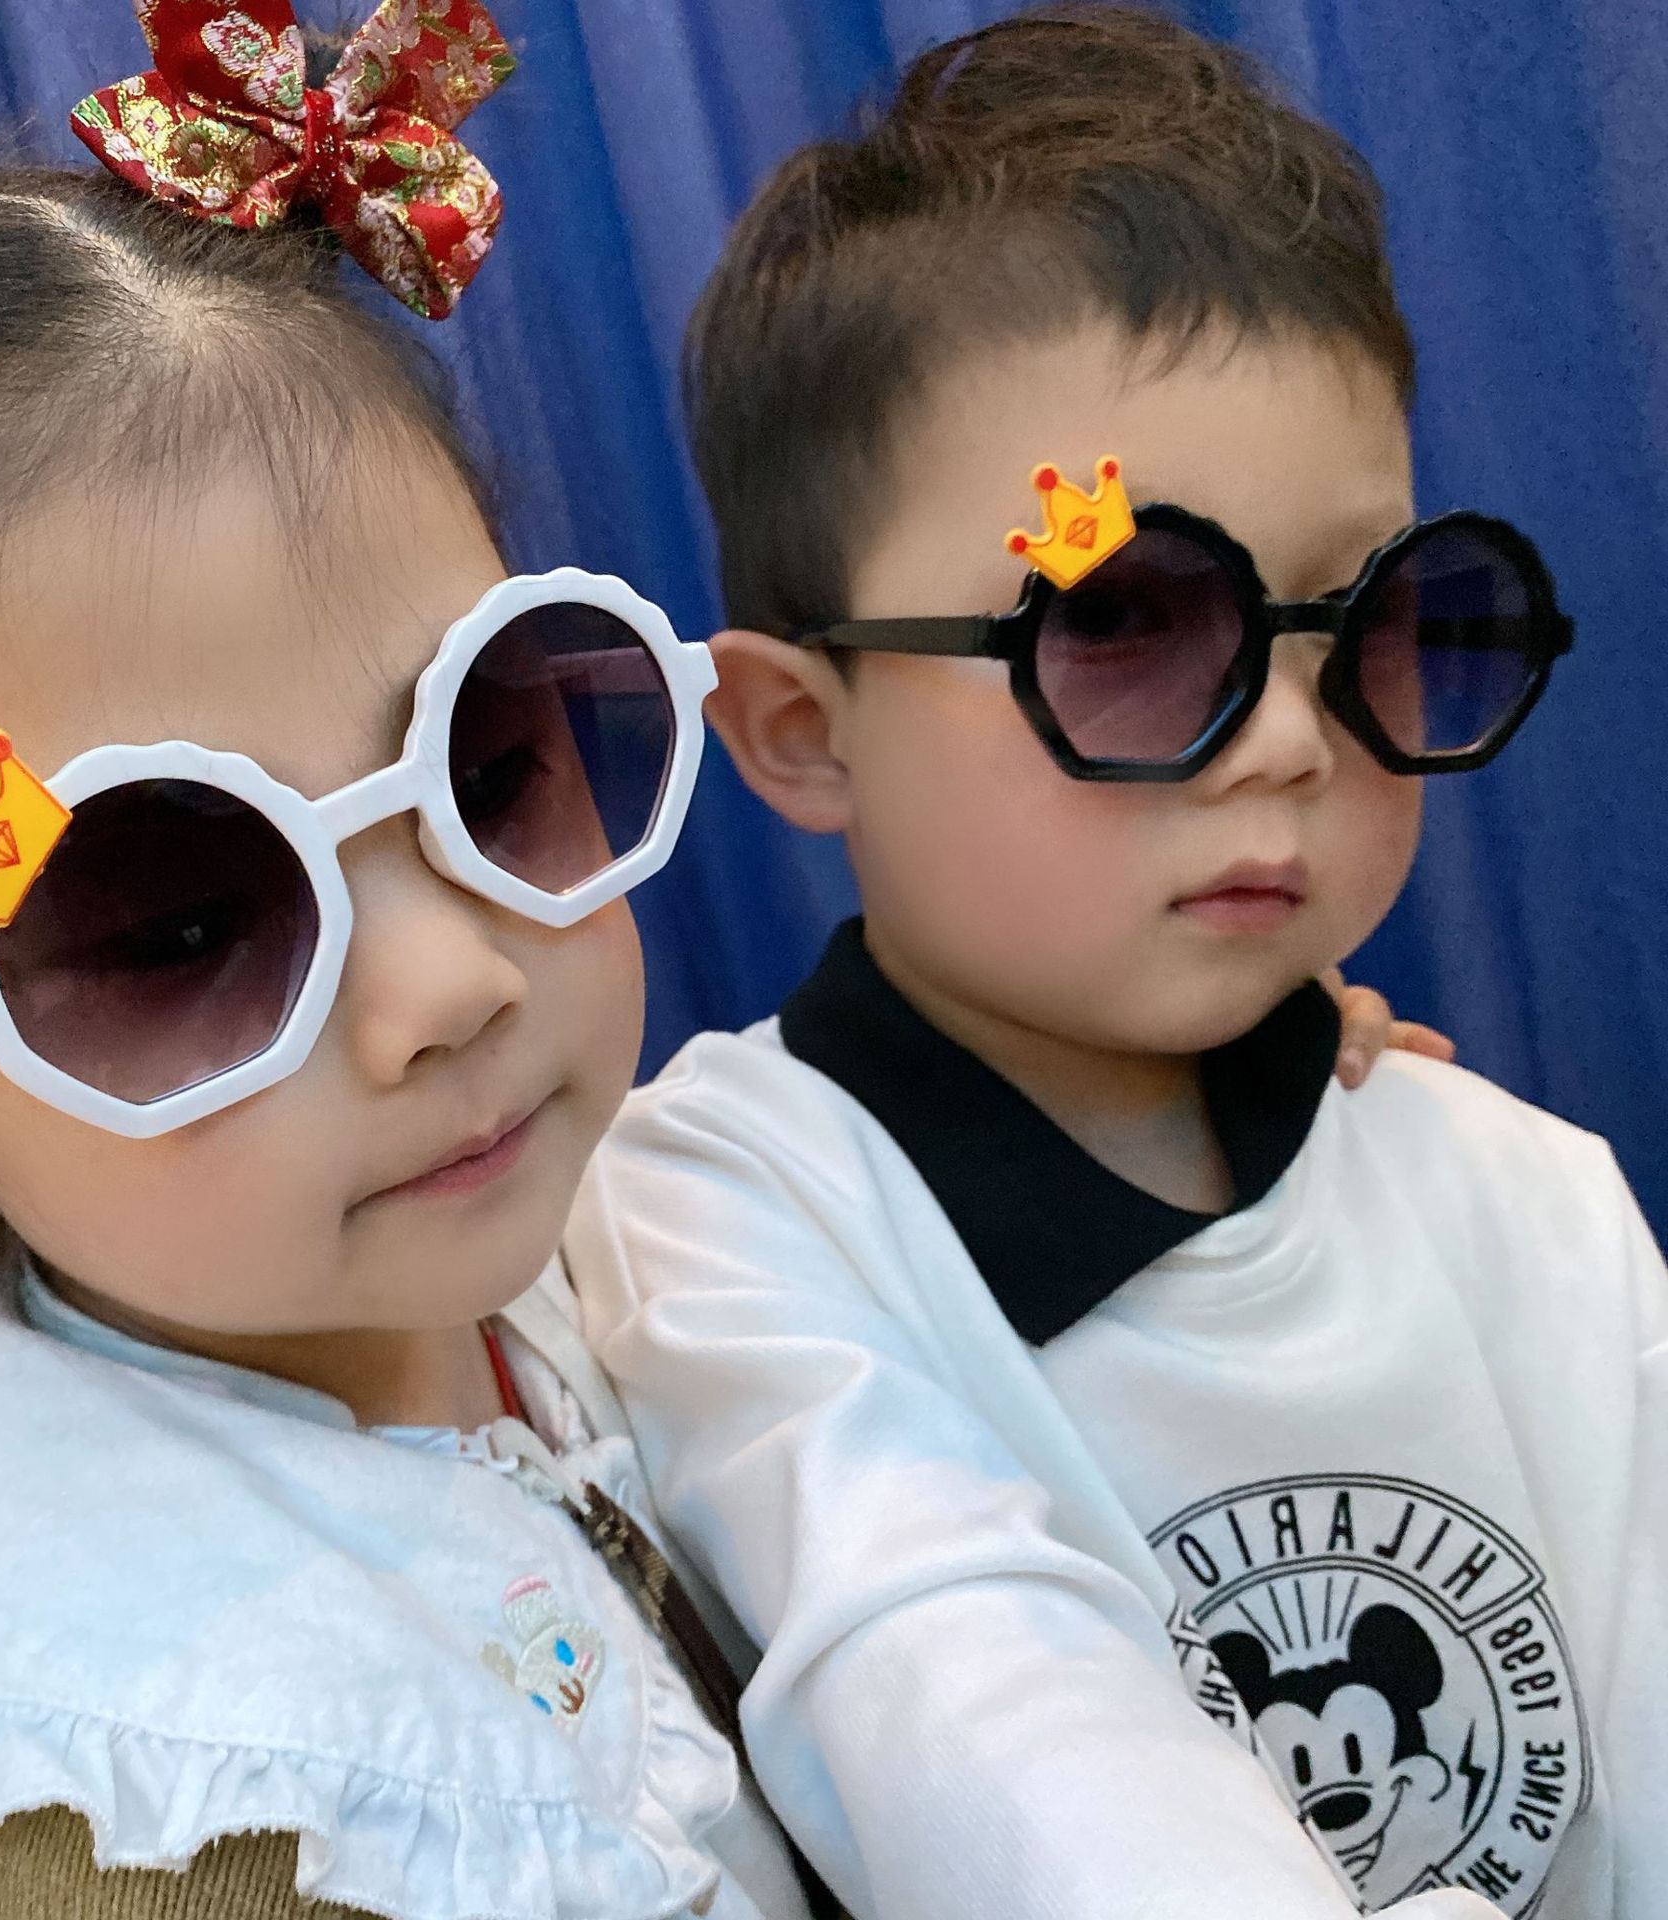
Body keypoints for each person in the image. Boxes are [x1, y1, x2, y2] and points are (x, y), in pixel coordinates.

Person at [566, 9, 1668, 1919]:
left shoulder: (1525, 1198)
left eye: (1371, 622)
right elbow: (966, 1700)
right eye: (1130, 623)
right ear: (803, 734)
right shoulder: (724, 1208)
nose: (1293, 740)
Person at [0, 7, 821, 1917]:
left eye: (488, 764)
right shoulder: (109, 1825)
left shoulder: (587, 1238)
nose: (452, 986)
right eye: (172, 924)